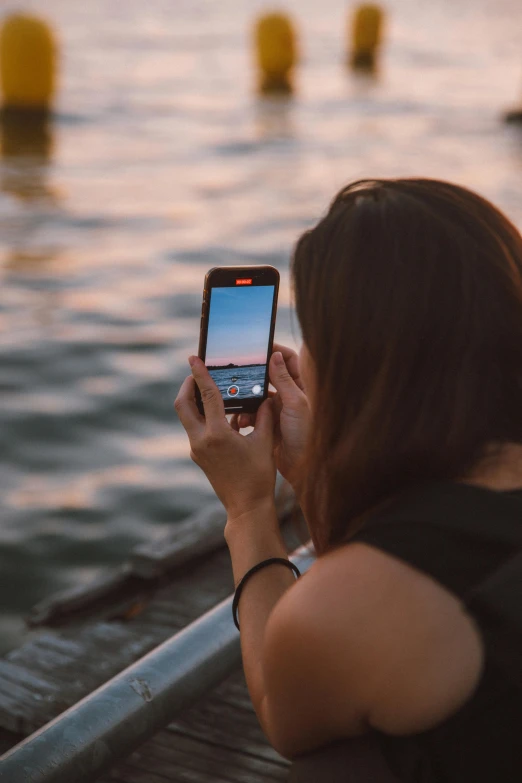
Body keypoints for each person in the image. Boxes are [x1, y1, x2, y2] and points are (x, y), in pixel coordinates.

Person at [174, 178, 522, 782]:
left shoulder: (359, 607)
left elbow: (287, 716)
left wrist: (250, 510)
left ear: (357, 356)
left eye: (316, 336)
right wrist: (315, 478)